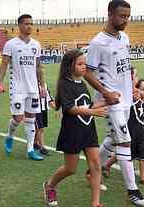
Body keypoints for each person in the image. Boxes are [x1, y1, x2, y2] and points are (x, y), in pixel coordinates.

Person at [84, 0, 144, 205]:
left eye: (128, 16)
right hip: (110, 101)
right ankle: (132, 190)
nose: (126, 20)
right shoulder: (98, 43)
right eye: (122, 16)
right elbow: (88, 72)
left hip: (126, 98)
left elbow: (125, 66)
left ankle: (91, 172)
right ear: (110, 14)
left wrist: (132, 88)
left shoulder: (125, 38)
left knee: (113, 139)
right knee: (125, 141)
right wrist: (106, 93)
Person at [43, 49, 107, 207]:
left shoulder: (83, 84)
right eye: (80, 64)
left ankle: (96, 203)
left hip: (88, 130)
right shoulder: (65, 84)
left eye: (85, 64)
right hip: (72, 132)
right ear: (69, 66)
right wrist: (93, 111)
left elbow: (87, 105)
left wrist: (108, 101)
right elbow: (70, 108)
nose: (84, 67)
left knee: (96, 165)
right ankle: (50, 185)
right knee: (70, 169)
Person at [0, 14, 45, 161]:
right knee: (18, 118)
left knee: (31, 117)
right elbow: (4, 64)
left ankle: (30, 150)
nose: (29, 26)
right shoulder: (11, 44)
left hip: (33, 89)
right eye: (26, 24)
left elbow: (38, 67)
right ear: (20, 26)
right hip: (17, 88)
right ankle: (10, 136)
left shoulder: (36, 45)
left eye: (31, 23)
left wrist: (41, 85)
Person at [34, 83, 55, 156]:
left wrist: (57, 108)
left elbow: (49, 99)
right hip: (36, 109)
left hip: (44, 109)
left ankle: (35, 142)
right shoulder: (32, 84)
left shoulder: (45, 85)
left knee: (38, 128)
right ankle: (42, 147)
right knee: (41, 128)